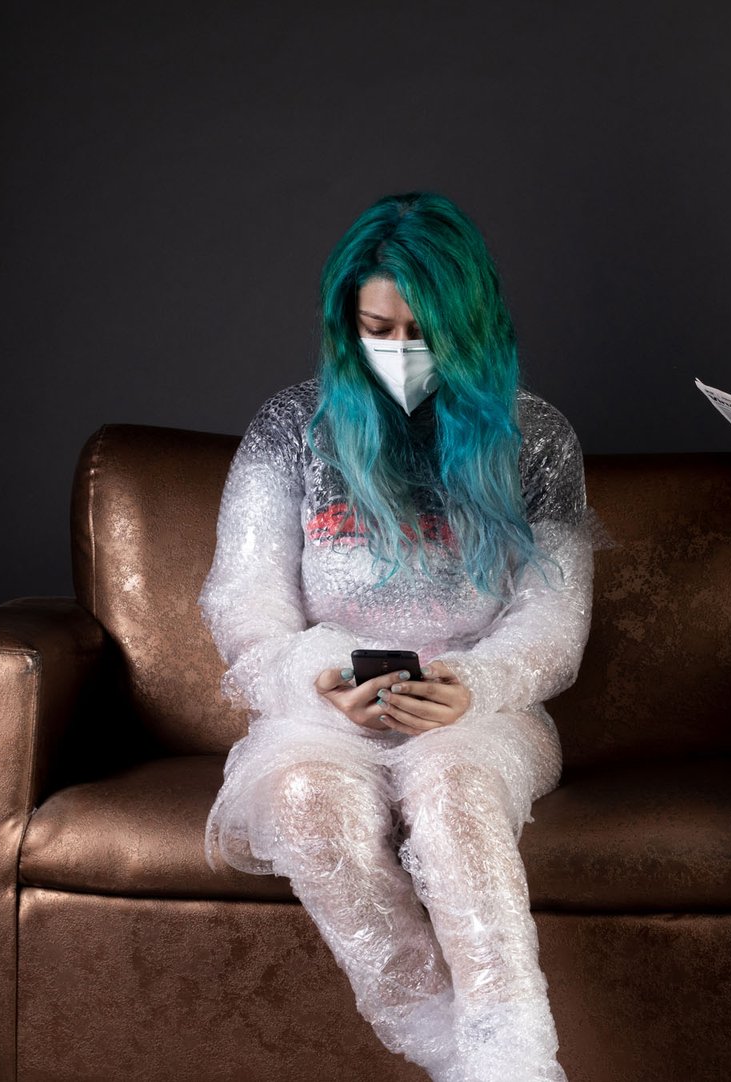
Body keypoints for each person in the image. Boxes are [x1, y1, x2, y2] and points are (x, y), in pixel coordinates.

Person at [200, 192, 593, 1082]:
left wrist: (475, 686)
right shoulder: (290, 430)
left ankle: (511, 1058)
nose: (401, 350)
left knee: (452, 788)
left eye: (426, 332)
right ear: (348, 326)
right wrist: (317, 675)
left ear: (470, 326)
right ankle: (475, 1062)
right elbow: (244, 598)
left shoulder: (535, 438)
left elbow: (556, 617)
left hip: (482, 715)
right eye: (379, 329)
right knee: (305, 798)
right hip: (326, 713)